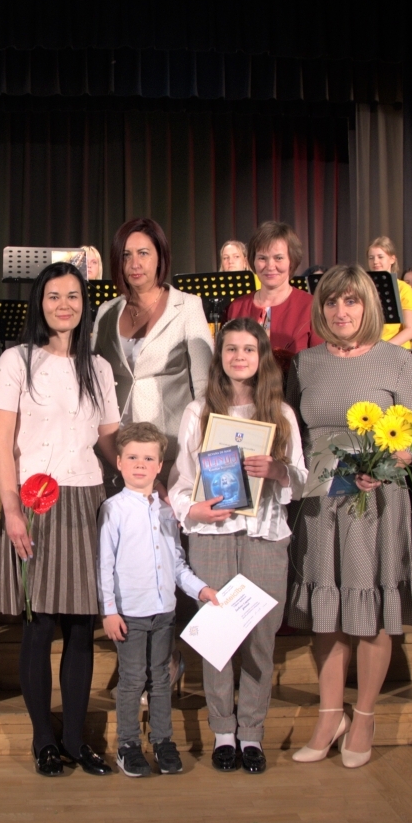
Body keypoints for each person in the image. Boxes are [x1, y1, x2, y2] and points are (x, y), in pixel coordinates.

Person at [286, 264, 412, 769]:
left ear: (369, 306)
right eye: (332, 302)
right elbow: (290, 430)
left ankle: (365, 715)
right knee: (326, 611)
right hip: (318, 501)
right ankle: (331, 714)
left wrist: (392, 463)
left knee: (370, 606)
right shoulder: (305, 363)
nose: (341, 311)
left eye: (351, 301)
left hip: (374, 500)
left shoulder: (398, 361)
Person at [0, 262, 120, 778]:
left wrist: (144, 474)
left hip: (87, 498)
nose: (63, 304)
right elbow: (2, 441)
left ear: (84, 303)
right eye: (53, 295)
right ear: (38, 303)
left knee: (82, 627)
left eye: (72, 295)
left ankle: (74, 738)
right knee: (40, 624)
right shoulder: (16, 361)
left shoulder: (100, 367)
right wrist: (11, 510)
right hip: (35, 500)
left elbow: (109, 439)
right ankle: (43, 738)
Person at [170, 318, 308, 774]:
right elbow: (179, 484)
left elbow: (303, 482)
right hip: (213, 536)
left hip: (265, 535)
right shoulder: (198, 412)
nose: (239, 357)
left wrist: (278, 471)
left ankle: (252, 732)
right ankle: (223, 732)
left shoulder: (281, 415)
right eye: (231, 349)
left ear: (262, 357)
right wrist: (194, 511)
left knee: (260, 640)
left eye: (248, 349)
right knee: (218, 639)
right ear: (220, 356)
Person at [101, 422, 220, 777]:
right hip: (130, 614)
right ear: (119, 462)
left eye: (148, 458)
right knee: (133, 679)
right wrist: (108, 611)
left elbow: (177, 563)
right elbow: (104, 565)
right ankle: (128, 744)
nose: (140, 464)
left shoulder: (168, 511)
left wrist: (201, 589)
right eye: (133, 457)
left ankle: (164, 741)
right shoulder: (113, 509)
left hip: (164, 612)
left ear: (159, 466)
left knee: (161, 678)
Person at [93, 218, 214, 483]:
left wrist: (201, 446)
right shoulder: (107, 312)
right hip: (116, 447)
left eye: (143, 253)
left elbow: (205, 385)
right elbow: (92, 379)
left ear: (160, 257)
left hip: (170, 447)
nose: (134, 264)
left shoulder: (188, 307)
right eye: (126, 256)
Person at [224, 221, 324, 378]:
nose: (270, 266)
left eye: (278, 258)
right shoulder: (237, 307)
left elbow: (320, 366)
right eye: (262, 258)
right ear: (253, 261)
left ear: (292, 260)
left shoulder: (311, 306)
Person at [365, 236, 412, 349]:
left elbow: (409, 330)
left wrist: (383, 349)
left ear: (392, 259)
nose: (375, 261)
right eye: (371, 258)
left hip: (395, 349)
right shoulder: (363, 288)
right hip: (367, 349)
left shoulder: (404, 289)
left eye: (380, 257)